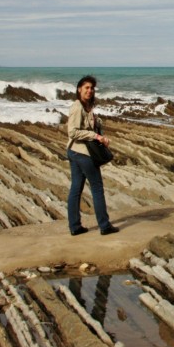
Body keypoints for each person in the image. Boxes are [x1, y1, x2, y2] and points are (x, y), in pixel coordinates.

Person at [65, 75, 119, 235]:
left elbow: (85, 127)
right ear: (79, 89)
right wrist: (96, 136)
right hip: (82, 153)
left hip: (75, 152)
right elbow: (73, 132)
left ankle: (75, 227)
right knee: (96, 188)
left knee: (76, 188)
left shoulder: (86, 106)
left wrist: (97, 125)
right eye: (86, 87)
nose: (90, 90)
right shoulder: (77, 107)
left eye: (92, 88)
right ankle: (104, 225)